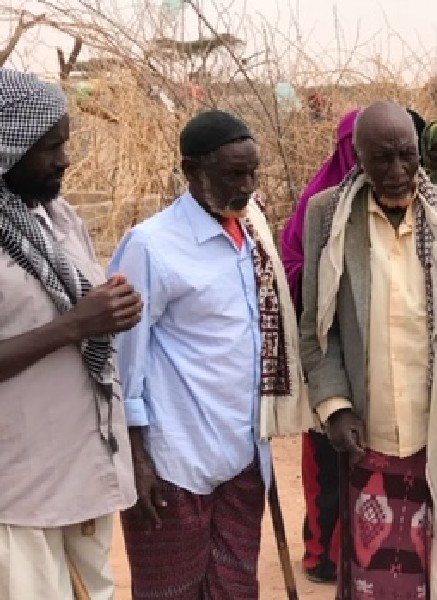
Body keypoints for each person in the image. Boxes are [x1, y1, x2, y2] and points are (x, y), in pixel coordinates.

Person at [111, 110, 312, 599]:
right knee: (171, 590)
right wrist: (136, 463)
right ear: (191, 171)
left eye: (252, 173)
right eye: (232, 175)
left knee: (235, 588)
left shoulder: (251, 236)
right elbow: (122, 364)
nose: (247, 186)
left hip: (242, 457)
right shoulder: (151, 246)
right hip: (173, 464)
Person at [298, 101, 437, 600]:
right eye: (381, 158)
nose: (397, 171)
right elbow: (317, 329)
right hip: (372, 440)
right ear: (357, 156)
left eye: (408, 156)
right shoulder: (327, 217)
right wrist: (335, 407)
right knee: (377, 584)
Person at [0, 67, 141, 600]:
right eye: (49, 146)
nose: (64, 158)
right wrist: (75, 325)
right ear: (8, 145)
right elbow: (73, 323)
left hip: (83, 470)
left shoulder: (56, 217)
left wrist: (115, 307)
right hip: (19, 491)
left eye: (66, 143)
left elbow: (86, 308)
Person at [278, 108, 359, 584]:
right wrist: (324, 279)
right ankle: (319, 552)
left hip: (367, 355)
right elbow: (290, 266)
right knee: (325, 466)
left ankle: (353, 550)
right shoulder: (318, 204)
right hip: (323, 351)